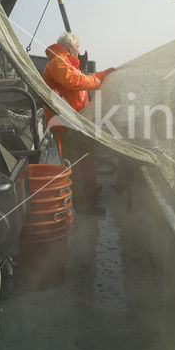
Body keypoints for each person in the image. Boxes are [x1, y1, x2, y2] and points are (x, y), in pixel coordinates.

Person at [42, 32, 115, 215]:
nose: (79, 50)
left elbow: (78, 83)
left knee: (85, 162)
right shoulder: (59, 62)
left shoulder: (65, 62)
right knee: (79, 166)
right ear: (70, 47)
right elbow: (75, 82)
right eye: (78, 47)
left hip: (76, 123)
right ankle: (84, 207)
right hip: (67, 125)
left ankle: (89, 194)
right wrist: (102, 77)